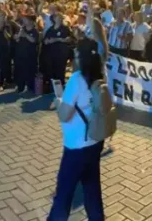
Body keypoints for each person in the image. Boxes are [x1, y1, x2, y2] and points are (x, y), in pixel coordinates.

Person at [47, 40, 107, 220]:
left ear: (81, 57)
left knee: (64, 194)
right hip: (95, 141)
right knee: (92, 192)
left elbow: (64, 114)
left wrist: (59, 102)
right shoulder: (101, 77)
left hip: (76, 146)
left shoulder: (76, 79)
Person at [44, 11, 73, 87]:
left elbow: (69, 39)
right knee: (51, 70)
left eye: (60, 17)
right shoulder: (50, 29)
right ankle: (52, 87)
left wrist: (58, 39)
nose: (59, 19)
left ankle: (61, 87)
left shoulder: (65, 28)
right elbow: (45, 40)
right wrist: (47, 41)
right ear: (54, 19)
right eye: (57, 17)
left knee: (60, 70)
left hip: (61, 53)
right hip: (51, 53)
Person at [14, 11, 39, 93]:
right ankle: (20, 86)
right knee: (20, 70)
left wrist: (26, 35)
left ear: (31, 21)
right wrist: (17, 37)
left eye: (25, 19)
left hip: (30, 55)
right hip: (21, 54)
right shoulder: (22, 29)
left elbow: (33, 40)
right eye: (23, 19)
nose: (23, 21)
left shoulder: (34, 31)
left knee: (30, 71)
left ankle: (30, 87)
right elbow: (17, 39)